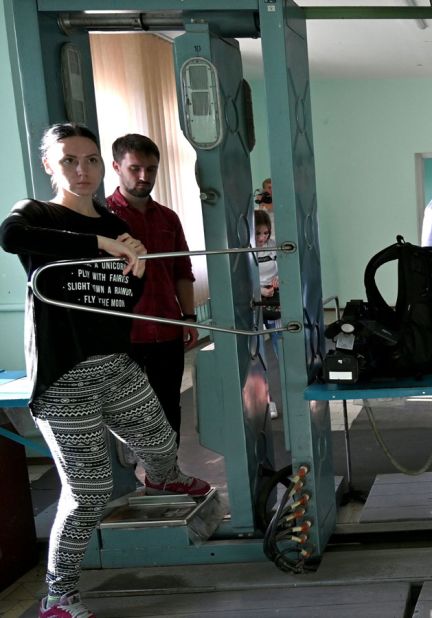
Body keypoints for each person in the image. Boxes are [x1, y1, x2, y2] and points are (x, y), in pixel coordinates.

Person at [0, 123, 210, 618]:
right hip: (64, 375)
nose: (82, 169)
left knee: (162, 445)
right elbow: (11, 237)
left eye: (90, 159)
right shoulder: (35, 215)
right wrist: (101, 246)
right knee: (88, 491)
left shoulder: (122, 228)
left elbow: (122, 297)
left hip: (115, 364)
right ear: (50, 165)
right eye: (69, 159)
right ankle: (59, 595)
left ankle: (162, 480)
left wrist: (129, 262)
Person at [106, 134, 198, 444]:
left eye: (151, 169)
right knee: (124, 410)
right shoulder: (102, 218)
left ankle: (169, 473)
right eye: (135, 168)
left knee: (169, 405)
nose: (144, 176)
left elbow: (182, 272)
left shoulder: (168, 218)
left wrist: (189, 317)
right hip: (123, 335)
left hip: (167, 329)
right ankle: (133, 476)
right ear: (116, 167)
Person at [255, 207, 281, 419]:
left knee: (280, 345)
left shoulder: (273, 246)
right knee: (259, 354)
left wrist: (278, 280)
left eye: (266, 233)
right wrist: (260, 290)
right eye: (258, 233)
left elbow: (282, 265)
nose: (263, 238)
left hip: (274, 298)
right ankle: (267, 400)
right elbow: (242, 277)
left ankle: (293, 395)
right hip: (255, 300)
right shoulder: (246, 249)